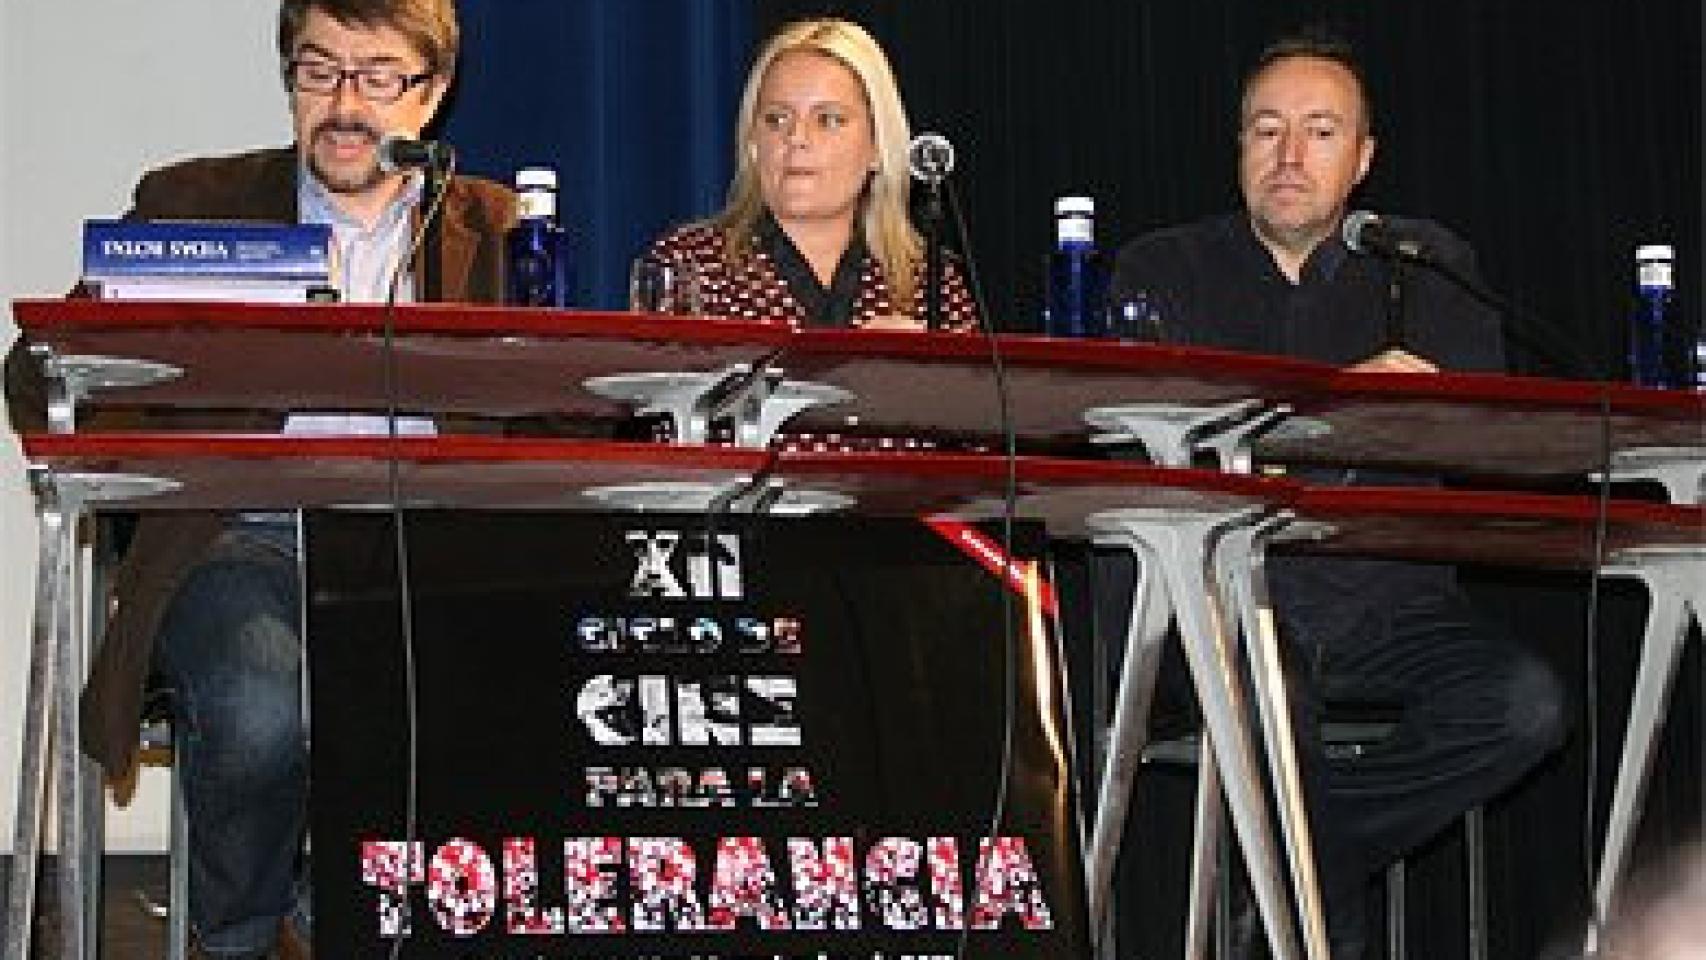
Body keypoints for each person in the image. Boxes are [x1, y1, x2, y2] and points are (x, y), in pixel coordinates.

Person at [3, 1, 513, 957]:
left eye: (378, 76)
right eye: (319, 71)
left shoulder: (494, 224)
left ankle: (330, 914)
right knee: (259, 705)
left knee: (481, 693)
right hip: (242, 533)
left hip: (426, 551)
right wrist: (123, 351)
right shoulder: (196, 205)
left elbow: (558, 406)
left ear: (433, 93)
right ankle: (234, 937)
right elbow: (43, 377)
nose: (345, 105)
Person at [1106, 32, 1566, 959]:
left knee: (1528, 705)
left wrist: (1418, 414)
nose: (1289, 155)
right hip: (1225, 602)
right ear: (1237, 146)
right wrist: (1335, 412)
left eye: (1320, 132)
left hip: (1394, 604)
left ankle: (1308, 861)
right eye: (1266, 130)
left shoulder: (1425, 266)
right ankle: (1321, 910)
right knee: (1277, 708)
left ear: (1362, 159)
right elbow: (1142, 449)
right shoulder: (1162, 271)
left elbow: (1485, 437)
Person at [645, 18, 978, 333]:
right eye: (776, 119)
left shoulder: (933, 285)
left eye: (828, 120)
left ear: (878, 146)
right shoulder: (688, 266)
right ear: (753, 143)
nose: (797, 138)